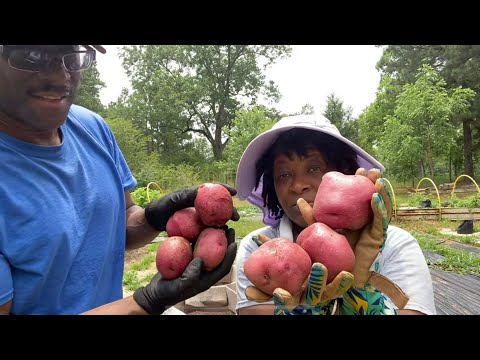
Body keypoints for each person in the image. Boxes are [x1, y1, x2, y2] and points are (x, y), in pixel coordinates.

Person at [0, 45, 238, 315]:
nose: (59, 76)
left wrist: (153, 218)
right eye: (34, 56)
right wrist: (144, 303)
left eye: (71, 57)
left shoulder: (92, 128)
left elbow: (118, 226)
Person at [234, 114, 436, 315]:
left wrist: (358, 287)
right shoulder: (259, 247)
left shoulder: (395, 244)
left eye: (314, 168)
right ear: (272, 184)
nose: (297, 185)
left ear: (344, 172)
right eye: (284, 174)